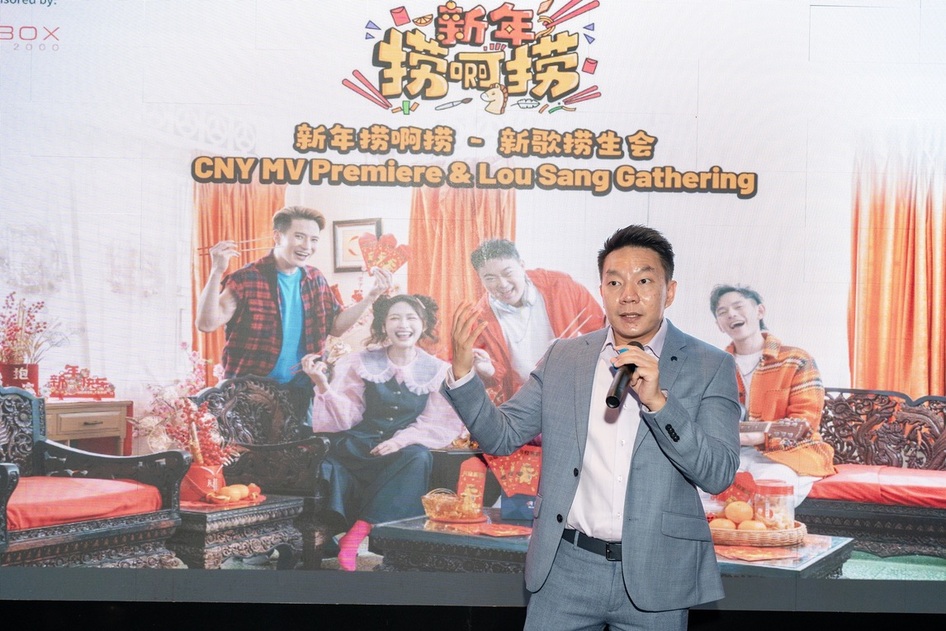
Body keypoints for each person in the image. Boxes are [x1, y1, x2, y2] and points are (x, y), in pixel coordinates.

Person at [445, 225, 741, 630]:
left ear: (669, 291)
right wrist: (463, 375)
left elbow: (718, 473)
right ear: (601, 290)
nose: (628, 295)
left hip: (656, 574)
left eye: (644, 281)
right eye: (614, 282)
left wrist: (659, 403)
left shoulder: (710, 365)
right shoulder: (565, 357)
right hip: (564, 569)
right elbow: (502, 435)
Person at [302, 294, 466, 571]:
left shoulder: (437, 370)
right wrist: (322, 385)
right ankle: (338, 535)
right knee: (331, 462)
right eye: (395, 318)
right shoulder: (361, 361)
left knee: (419, 457)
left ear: (424, 324)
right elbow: (348, 414)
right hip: (359, 445)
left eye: (411, 318)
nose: (403, 325)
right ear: (384, 324)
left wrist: (399, 441)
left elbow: (434, 422)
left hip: (400, 450)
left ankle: (356, 536)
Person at [195, 205, 392, 418]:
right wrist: (216, 271)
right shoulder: (246, 278)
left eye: (313, 239)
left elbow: (336, 327)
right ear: (277, 236)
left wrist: (371, 296)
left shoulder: (315, 278)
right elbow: (206, 324)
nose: (307, 246)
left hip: (300, 390)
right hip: (249, 393)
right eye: (299, 237)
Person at [710, 285, 835, 505]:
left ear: (760, 311)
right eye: (722, 312)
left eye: (738, 306)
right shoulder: (714, 366)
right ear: (719, 325)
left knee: (769, 495)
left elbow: (804, 424)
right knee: (704, 494)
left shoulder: (796, 359)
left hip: (789, 454)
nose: (731, 314)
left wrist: (757, 435)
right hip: (734, 455)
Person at [468, 238, 604, 406]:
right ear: (480, 279)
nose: (502, 284)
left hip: (571, 390)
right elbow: (494, 378)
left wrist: (575, 350)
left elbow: (601, 331)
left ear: (521, 265)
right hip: (522, 400)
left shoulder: (561, 286)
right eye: (490, 278)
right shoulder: (479, 319)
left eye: (507, 273)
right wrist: (487, 370)